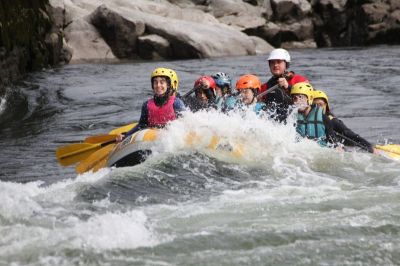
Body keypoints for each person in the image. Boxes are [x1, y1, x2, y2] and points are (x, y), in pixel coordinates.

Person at [117, 67, 186, 141]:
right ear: (153, 85)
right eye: (155, 82)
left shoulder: (176, 103)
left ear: (168, 85)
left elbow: (185, 123)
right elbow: (142, 125)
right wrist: (126, 135)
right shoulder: (146, 105)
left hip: (172, 138)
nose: (158, 85)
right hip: (152, 138)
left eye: (162, 82)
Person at [259, 48, 308, 122]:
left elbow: (309, 100)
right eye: (272, 62)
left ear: (286, 64)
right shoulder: (265, 87)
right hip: (274, 124)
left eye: (279, 62)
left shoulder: (299, 80)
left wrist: (288, 87)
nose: (275, 65)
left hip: (296, 121)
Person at [290, 82, 337, 147]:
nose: (298, 101)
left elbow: (333, 143)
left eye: (301, 97)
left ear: (310, 98)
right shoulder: (290, 118)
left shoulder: (324, 118)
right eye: (295, 98)